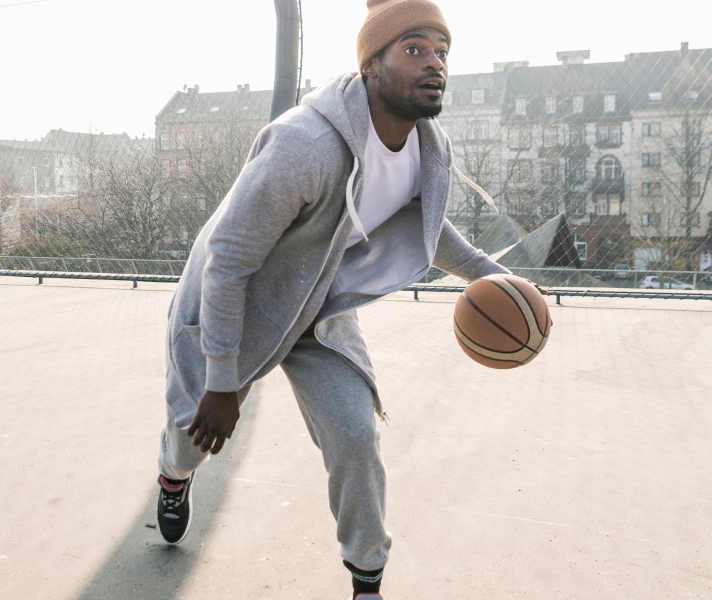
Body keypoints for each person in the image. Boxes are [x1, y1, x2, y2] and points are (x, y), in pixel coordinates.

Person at [156, 1, 512, 596]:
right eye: (414, 49)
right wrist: (222, 380)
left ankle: (367, 578)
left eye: (442, 51)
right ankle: (171, 477)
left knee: (355, 434)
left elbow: (428, 225)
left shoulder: (427, 144)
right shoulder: (305, 145)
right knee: (193, 436)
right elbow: (228, 263)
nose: (435, 64)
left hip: (318, 304)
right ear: (372, 65)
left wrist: (490, 278)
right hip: (238, 300)